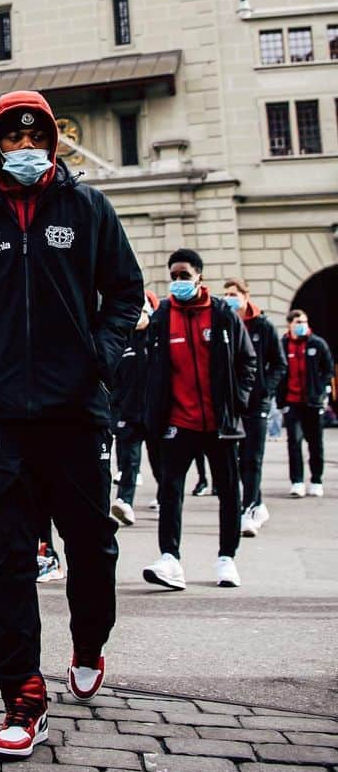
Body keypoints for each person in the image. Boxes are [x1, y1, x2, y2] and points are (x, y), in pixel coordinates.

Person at [0, 91, 142, 759]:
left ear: (52, 143)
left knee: (91, 546)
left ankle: (89, 639)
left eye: (35, 139)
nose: (23, 150)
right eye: (11, 139)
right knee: (10, 556)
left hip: (76, 411)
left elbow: (125, 292)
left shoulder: (86, 208)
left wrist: (100, 360)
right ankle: (22, 693)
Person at [141, 249, 255, 593]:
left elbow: (246, 362)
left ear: (199, 277)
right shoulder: (162, 318)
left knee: (228, 493)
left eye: (184, 275)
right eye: (173, 276)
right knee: (171, 490)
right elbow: (151, 369)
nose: (178, 282)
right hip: (178, 422)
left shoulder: (222, 314)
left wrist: (237, 403)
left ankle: (226, 558)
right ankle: (169, 558)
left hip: (220, 424)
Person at [222, 278, 286, 536]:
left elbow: (279, 364)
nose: (229, 297)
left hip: (257, 402)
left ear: (246, 296)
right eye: (226, 293)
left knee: (252, 457)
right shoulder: (224, 323)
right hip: (233, 403)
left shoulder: (264, 326)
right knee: (237, 460)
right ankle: (257, 502)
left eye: (234, 293)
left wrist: (265, 391)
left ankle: (248, 508)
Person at [111, 296, 161, 527]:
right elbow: (116, 381)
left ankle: (165, 498)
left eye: (141, 310)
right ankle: (125, 502)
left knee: (160, 461)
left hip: (155, 411)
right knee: (129, 462)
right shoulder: (124, 341)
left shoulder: (157, 336)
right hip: (130, 412)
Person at [279, 309, 333, 498]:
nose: (302, 325)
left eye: (304, 321)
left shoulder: (317, 343)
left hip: (313, 402)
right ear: (290, 324)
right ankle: (297, 481)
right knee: (293, 442)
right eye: (298, 322)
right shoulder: (283, 345)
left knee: (315, 443)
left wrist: (321, 390)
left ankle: (316, 480)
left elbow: (328, 370)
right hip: (292, 402)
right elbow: (278, 370)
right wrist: (280, 399)